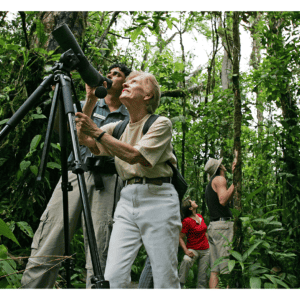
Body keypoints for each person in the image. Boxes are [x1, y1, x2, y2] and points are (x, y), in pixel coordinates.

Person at [21, 63, 131, 289]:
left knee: (100, 250)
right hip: (74, 173)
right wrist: (90, 99)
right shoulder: (85, 105)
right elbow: (73, 135)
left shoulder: (129, 116)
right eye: (108, 73)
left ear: (125, 84)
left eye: (117, 75)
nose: (110, 77)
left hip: (108, 180)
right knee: (50, 238)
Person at [75, 70, 182, 288]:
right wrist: (91, 99)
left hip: (159, 197)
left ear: (148, 95)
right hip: (127, 198)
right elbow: (84, 138)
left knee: (164, 276)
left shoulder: (160, 123)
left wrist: (98, 133)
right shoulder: (119, 127)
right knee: (112, 276)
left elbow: (136, 156)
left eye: (134, 82)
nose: (126, 83)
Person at [204, 157, 236, 289]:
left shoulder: (210, 184)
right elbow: (223, 200)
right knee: (226, 269)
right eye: (222, 164)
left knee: (214, 269)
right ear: (220, 168)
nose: (224, 166)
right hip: (223, 227)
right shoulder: (219, 179)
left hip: (213, 227)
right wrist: (235, 181)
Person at [178, 198, 210, 289]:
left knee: (202, 278)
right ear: (190, 208)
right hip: (193, 249)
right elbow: (180, 237)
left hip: (205, 250)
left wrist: (206, 237)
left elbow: (203, 231)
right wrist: (186, 251)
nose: (194, 201)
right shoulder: (186, 221)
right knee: (186, 260)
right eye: (192, 202)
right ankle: (179, 285)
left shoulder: (200, 216)